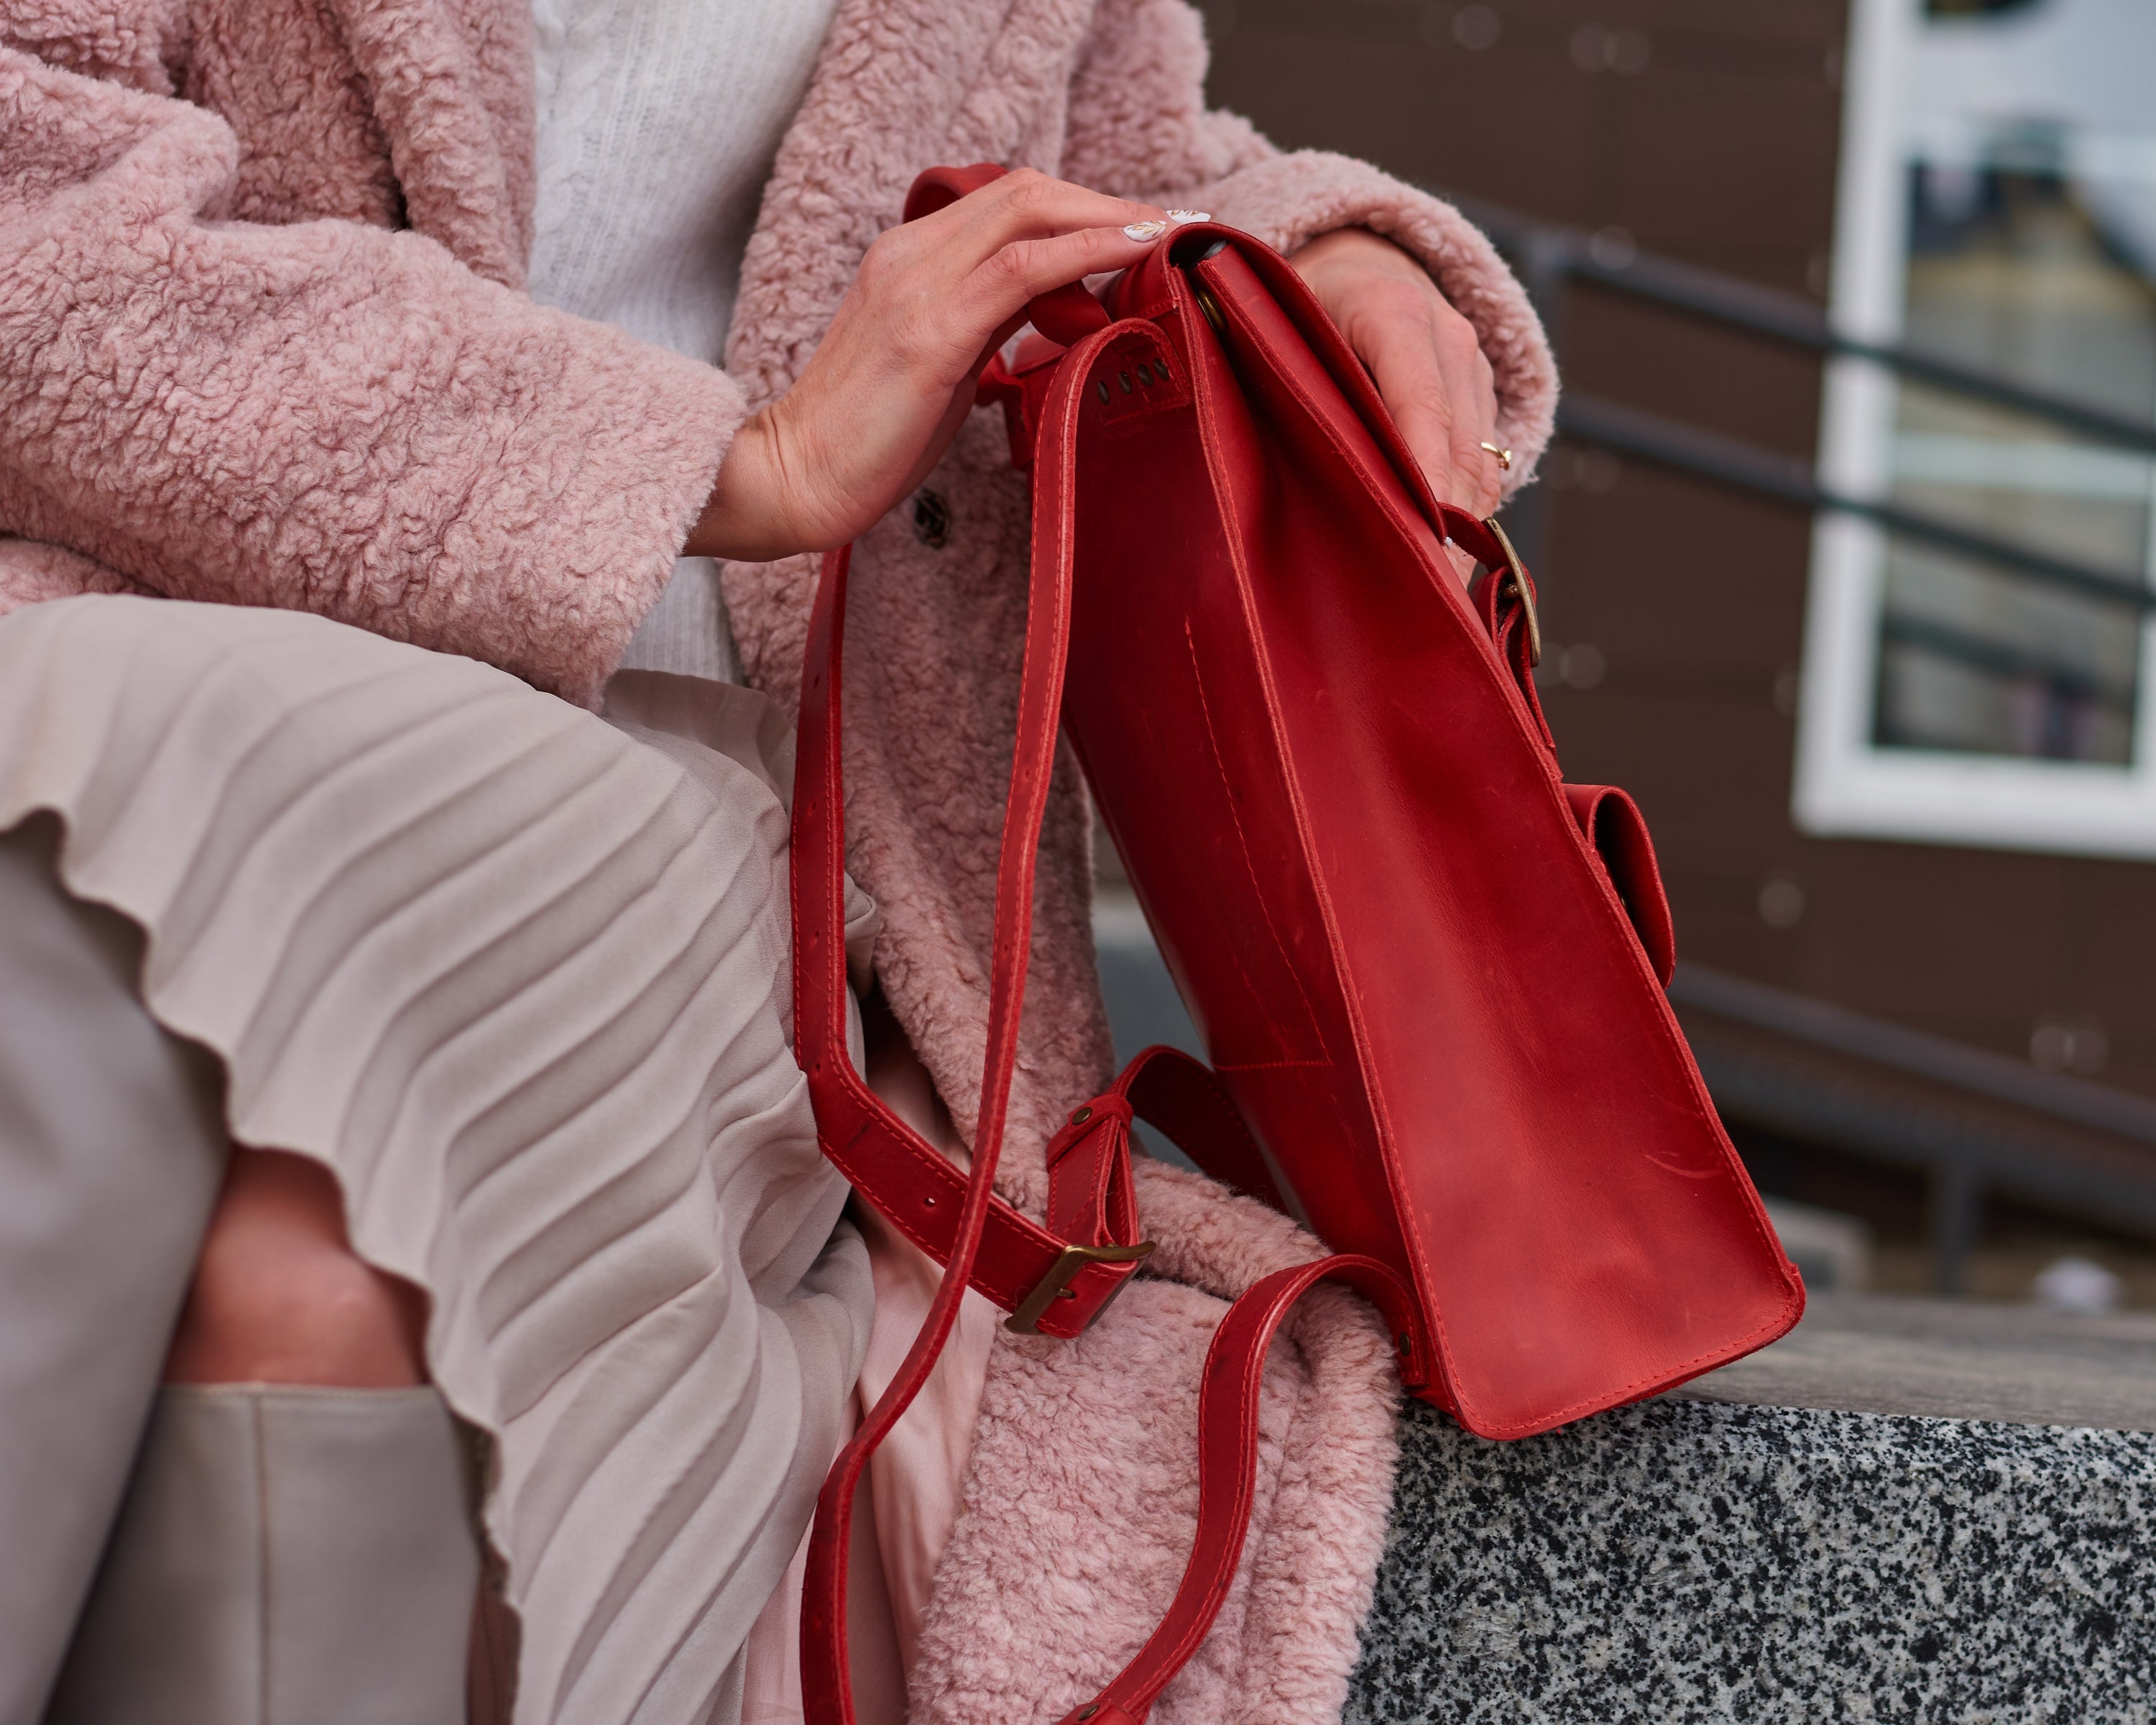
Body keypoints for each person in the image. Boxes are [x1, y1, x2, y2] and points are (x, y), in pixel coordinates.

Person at [0, 1, 1556, 1721]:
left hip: (706, 813)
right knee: (298, 1261)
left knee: (307, 1256)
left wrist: (1313, 255)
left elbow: (1101, 166)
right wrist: (729, 468)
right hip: (176, 687)